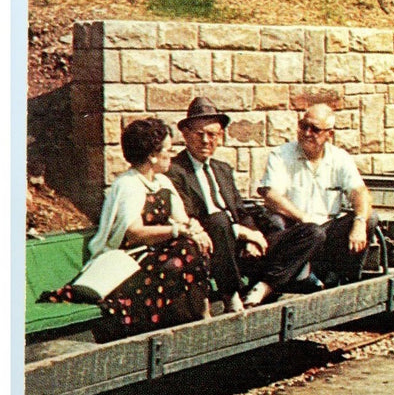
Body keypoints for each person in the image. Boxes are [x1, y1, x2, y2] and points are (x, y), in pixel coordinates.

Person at [40, 118, 213, 341]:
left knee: (193, 246)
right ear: (152, 155)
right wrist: (177, 231)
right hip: (130, 262)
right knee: (184, 251)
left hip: (156, 257)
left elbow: (182, 219)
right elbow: (134, 232)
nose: (171, 155)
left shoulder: (162, 181)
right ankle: (173, 320)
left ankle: (200, 316)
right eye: (168, 150)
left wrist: (195, 229)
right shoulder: (128, 185)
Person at [167, 97, 325, 311]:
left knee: (313, 233)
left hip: (243, 247)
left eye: (212, 134)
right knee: (219, 220)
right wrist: (242, 233)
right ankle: (230, 295)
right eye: (199, 134)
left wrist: (253, 236)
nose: (206, 140)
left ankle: (264, 287)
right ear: (185, 135)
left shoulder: (222, 169)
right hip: (213, 246)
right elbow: (191, 216)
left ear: (220, 136)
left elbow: (241, 211)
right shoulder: (175, 170)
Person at [257, 103, 376, 294]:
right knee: (312, 232)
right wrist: (303, 218)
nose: (307, 133)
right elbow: (271, 195)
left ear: (330, 134)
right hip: (295, 232)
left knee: (370, 218)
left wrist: (360, 222)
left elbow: (359, 192)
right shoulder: (280, 155)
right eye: (303, 126)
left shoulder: (340, 158)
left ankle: (342, 282)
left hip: (326, 234)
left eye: (315, 129)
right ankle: (295, 279)